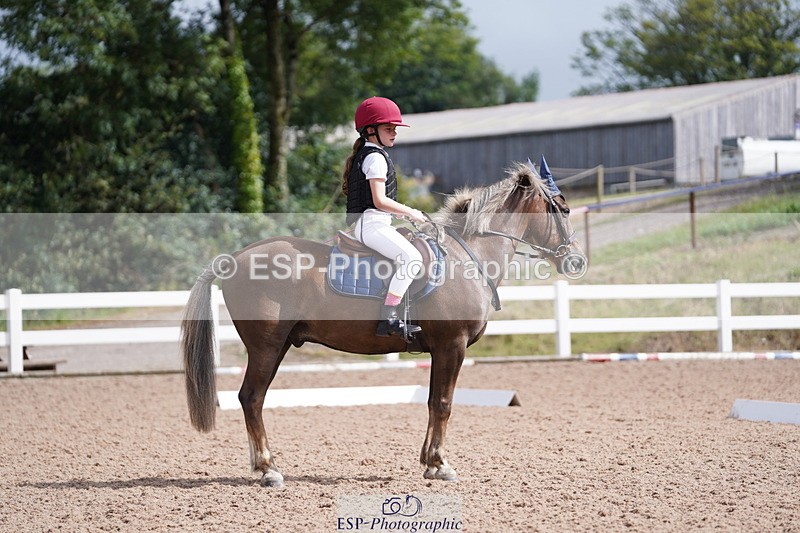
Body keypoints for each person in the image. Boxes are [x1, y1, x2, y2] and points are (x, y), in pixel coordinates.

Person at [341, 96, 426, 337]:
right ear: (370, 130)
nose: (394, 132)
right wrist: (411, 212)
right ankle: (388, 317)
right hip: (371, 225)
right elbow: (379, 201)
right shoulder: (375, 158)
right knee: (412, 258)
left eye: (395, 128)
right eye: (389, 128)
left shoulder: (370, 154)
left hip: (372, 222)